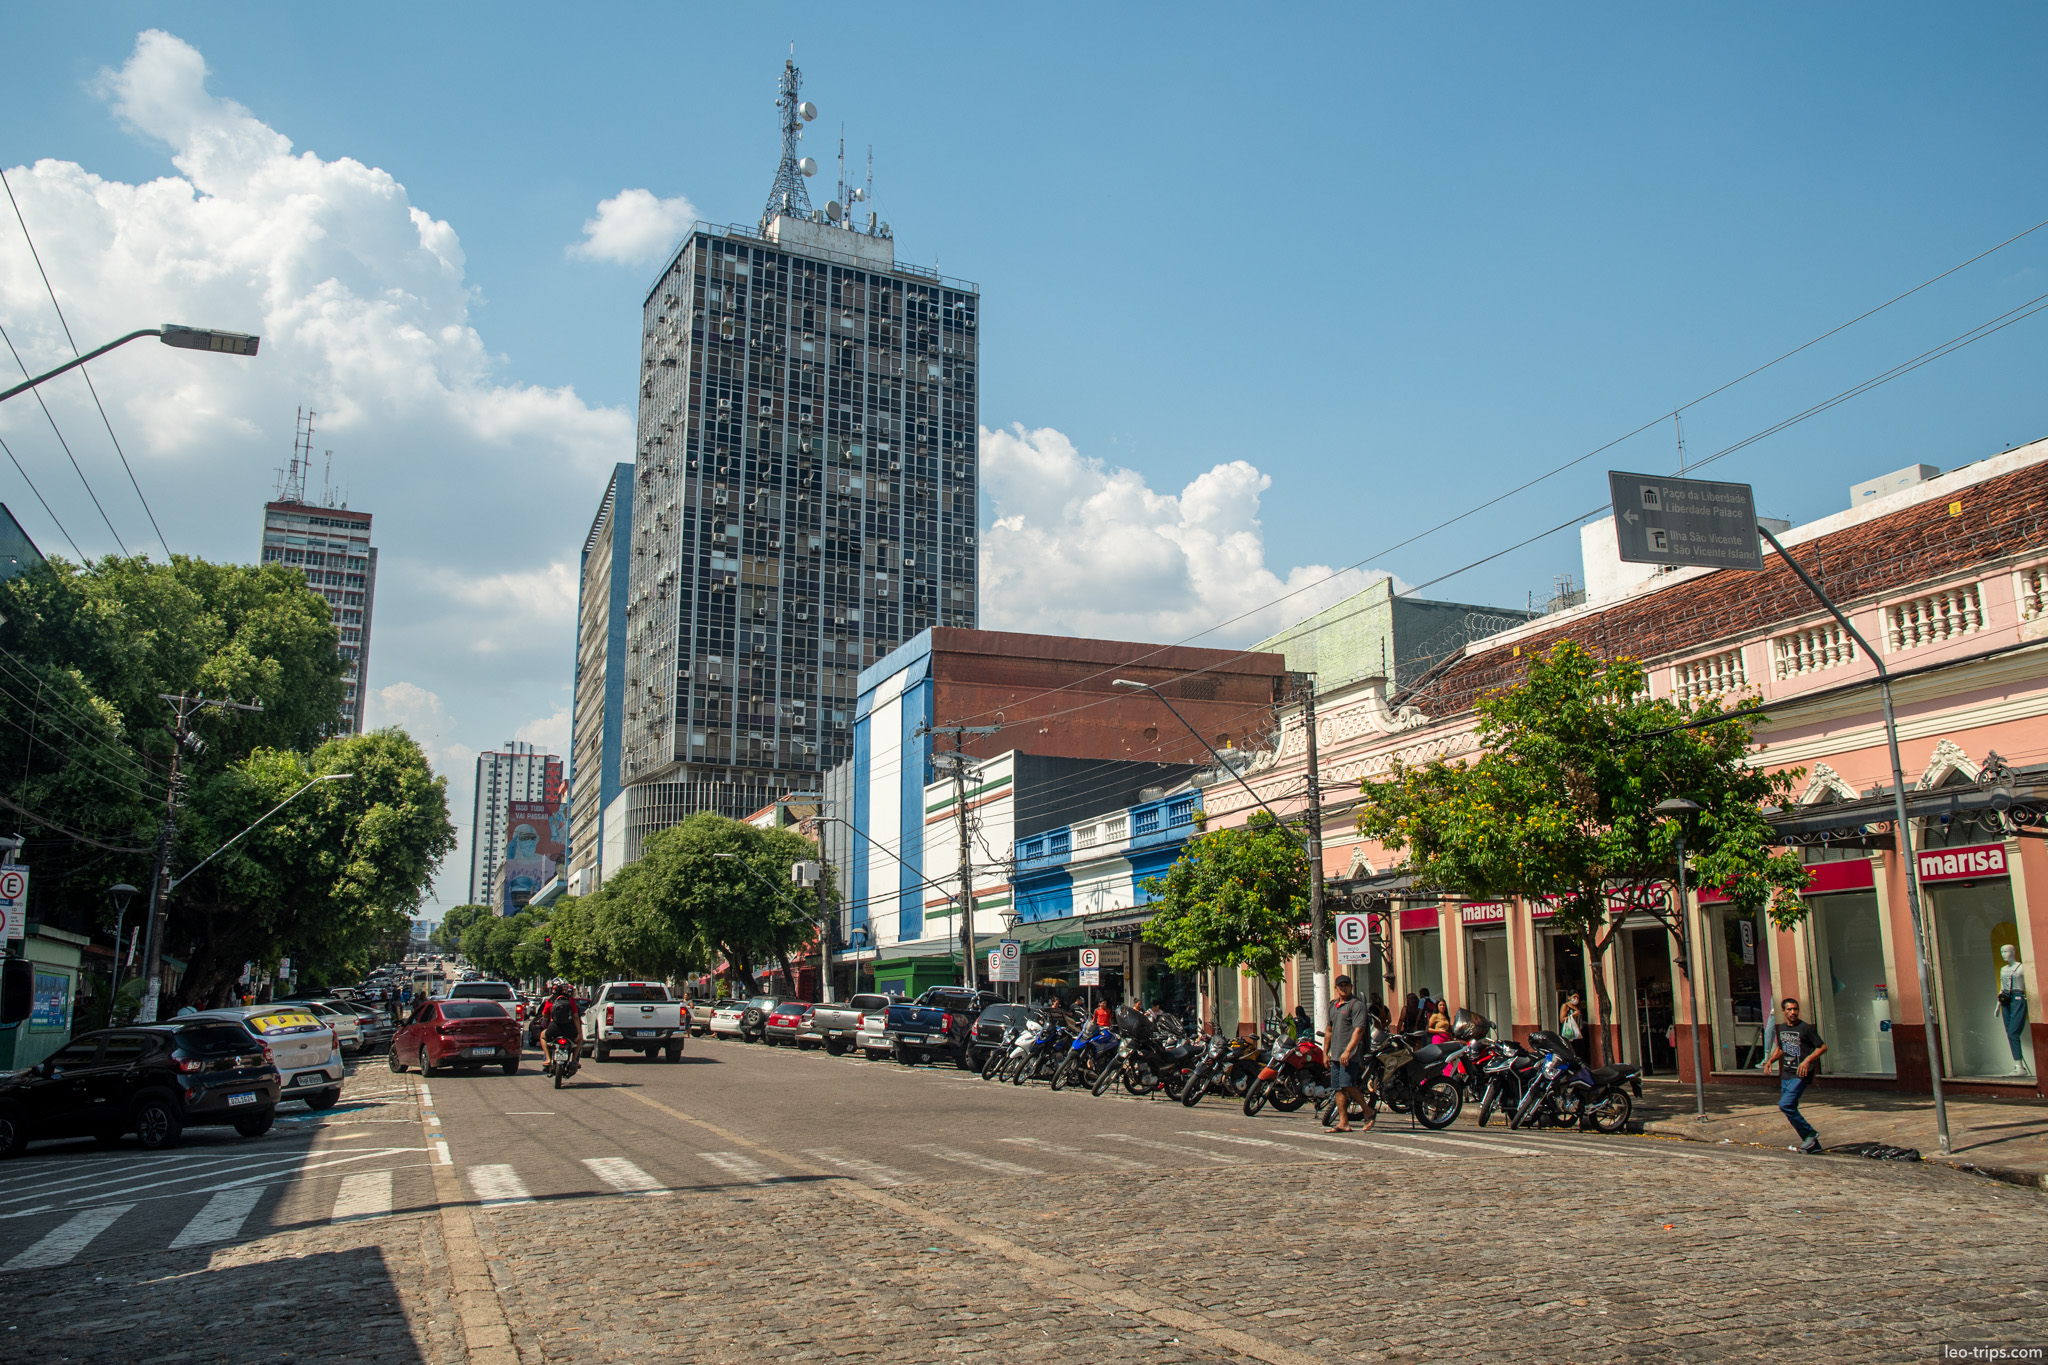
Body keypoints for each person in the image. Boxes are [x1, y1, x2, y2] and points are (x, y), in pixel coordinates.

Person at [1759, 997, 1827, 1153]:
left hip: (1800, 1074)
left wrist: (1807, 1061)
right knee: (1790, 1109)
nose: (1793, 1012)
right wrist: (1770, 1061)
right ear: (1783, 1011)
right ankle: (1812, 1145)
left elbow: (1822, 1047)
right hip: (1787, 1074)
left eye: (1795, 1009)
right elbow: (1782, 1048)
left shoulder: (1805, 1028)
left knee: (1785, 1105)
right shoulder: (1782, 1028)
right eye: (1789, 1009)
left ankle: (1810, 1133)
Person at [1324, 975, 1374, 1133]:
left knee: (1348, 1084)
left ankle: (1368, 1111)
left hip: (1350, 1055)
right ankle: (1343, 1122)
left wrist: (1348, 1051)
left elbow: (1359, 1030)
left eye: (1346, 985)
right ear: (1336, 988)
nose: (1343, 988)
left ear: (1351, 986)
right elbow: (1329, 1030)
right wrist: (1325, 1053)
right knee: (1338, 1088)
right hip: (1335, 1055)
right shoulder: (1333, 1006)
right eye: (1340, 985)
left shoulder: (1356, 1005)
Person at [540, 979, 582, 1075]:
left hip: (554, 1028)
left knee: (543, 1036)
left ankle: (547, 1059)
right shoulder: (570, 1000)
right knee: (579, 1040)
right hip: (569, 1029)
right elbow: (575, 1017)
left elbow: (544, 1015)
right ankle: (575, 1060)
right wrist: (579, 1033)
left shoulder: (550, 1000)